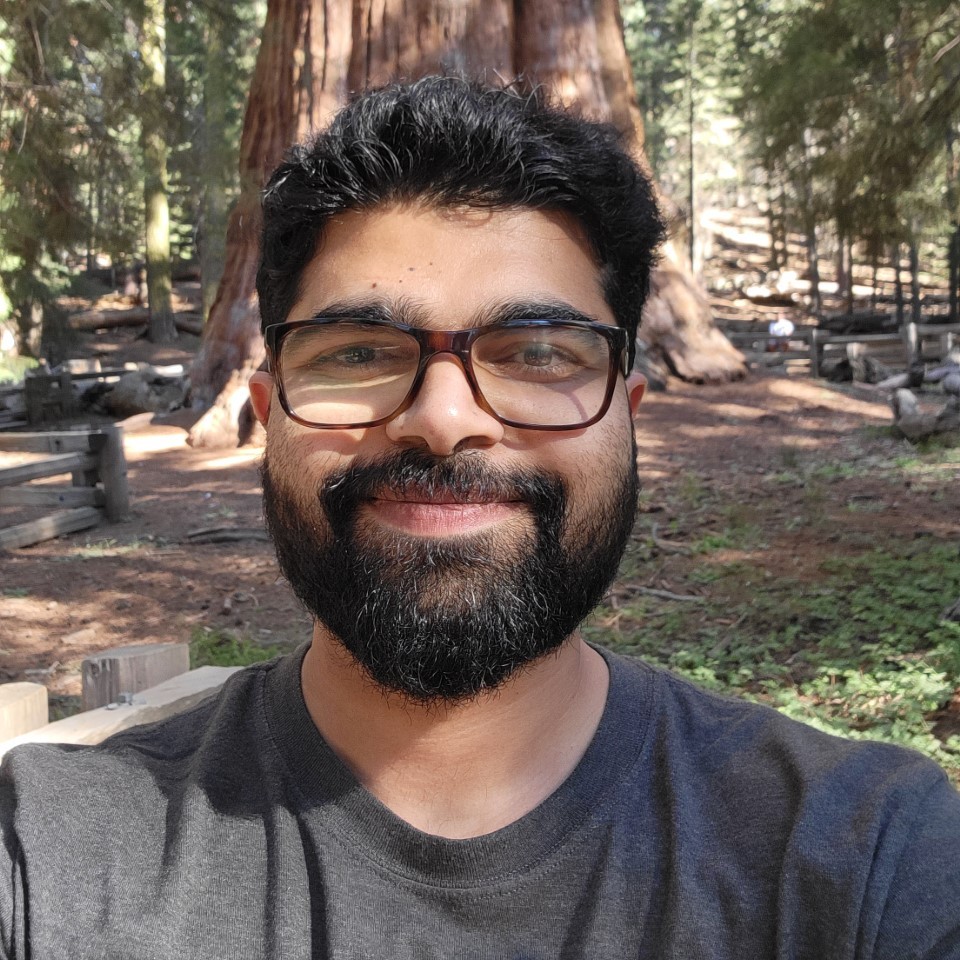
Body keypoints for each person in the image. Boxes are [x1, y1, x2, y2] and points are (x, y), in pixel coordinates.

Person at [2, 77, 959, 959]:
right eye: (358, 350)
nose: (445, 418)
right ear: (268, 411)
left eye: (539, 353)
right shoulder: (50, 857)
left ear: (628, 414)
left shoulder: (869, 858)